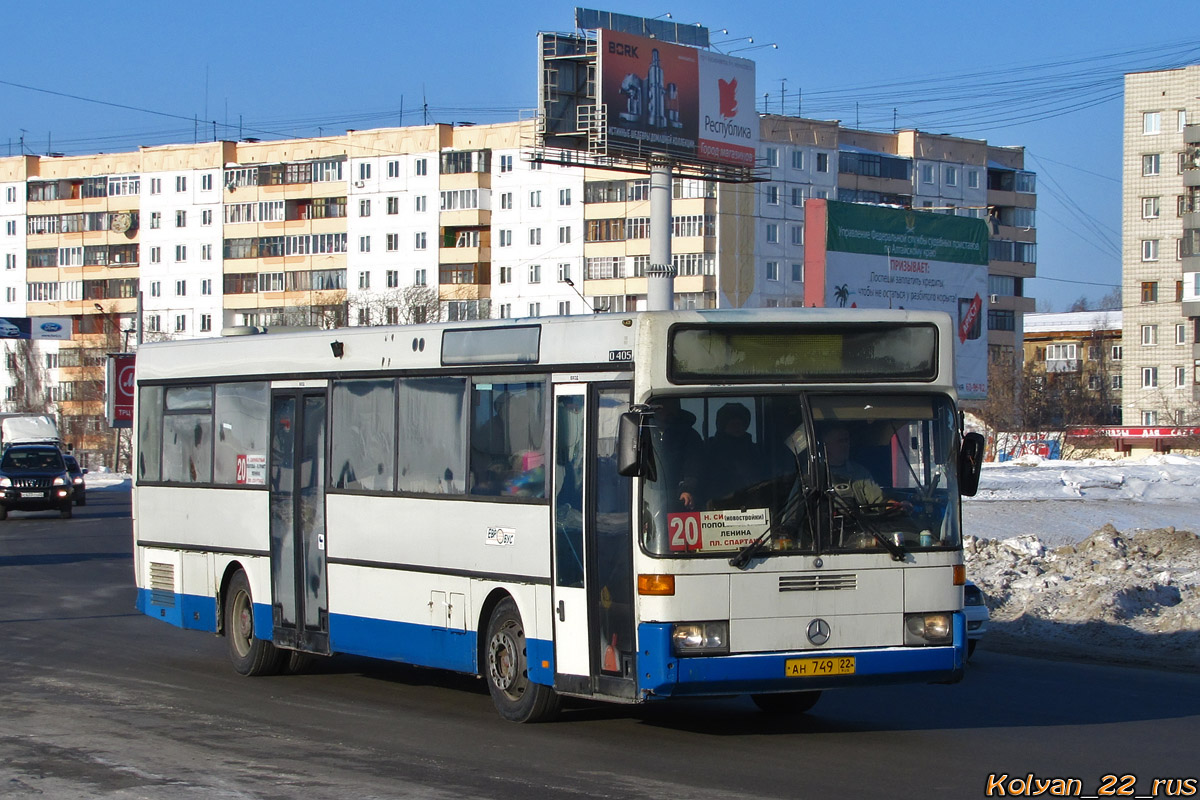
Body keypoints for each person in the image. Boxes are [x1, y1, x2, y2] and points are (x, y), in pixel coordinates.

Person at [651, 398, 703, 511]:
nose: (666, 411)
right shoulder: (644, 433)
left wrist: (687, 489)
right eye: (660, 408)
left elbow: (693, 465)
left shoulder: (689, 436)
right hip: (648, 495)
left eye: (671, 407)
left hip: (678, 498)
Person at [704, 402, 760, 506]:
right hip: (715, 507)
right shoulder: (710, 449)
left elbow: (760, 479)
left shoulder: (754, 450)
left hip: (751, 508)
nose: (738, 428)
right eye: (733, 424)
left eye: (741, 424)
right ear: (722, 426)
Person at [820, 424, 885, 508]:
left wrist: (895, 506)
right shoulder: (813, 474)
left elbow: (878, 500)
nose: (845, 445)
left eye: (847, 441)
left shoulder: (860, 472)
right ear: (826, 446)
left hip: (860, 520)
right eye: (840, 441)